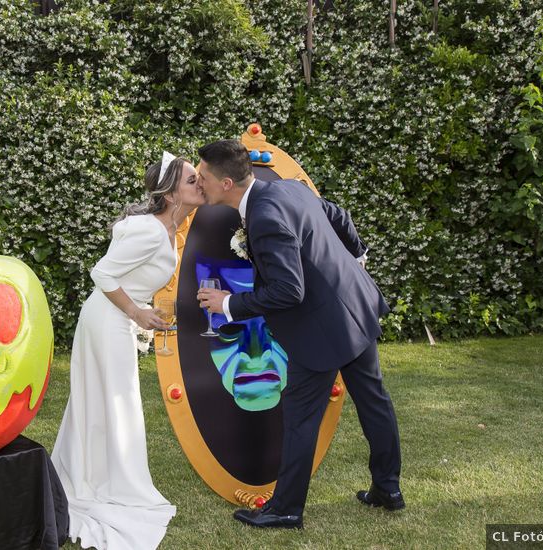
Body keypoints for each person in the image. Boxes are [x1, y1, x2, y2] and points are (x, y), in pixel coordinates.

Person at [195, 139, 404, 530]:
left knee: (300, 417)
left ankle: (286, 509)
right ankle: (388, 489)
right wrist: (356, 259)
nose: (198, 181)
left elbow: (289, 291)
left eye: (203, 176)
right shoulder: (288, 188)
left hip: (321, 330)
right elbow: (338, 215)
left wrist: (227, 304)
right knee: (373, 400)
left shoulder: (264, 217)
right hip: (354, 305)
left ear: (226, 183)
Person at [51, 153, 205, 549]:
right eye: (192, 180)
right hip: (107, 321)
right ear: (171, 194)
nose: (200, 184)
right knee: (116, 403)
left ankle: (95, 472)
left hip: (116, 319)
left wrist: (141, 313)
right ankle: (110, 484)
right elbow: (102, 273)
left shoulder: (168, 228)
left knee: (108, 401)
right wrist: (137, 312)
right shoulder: (151, 232)